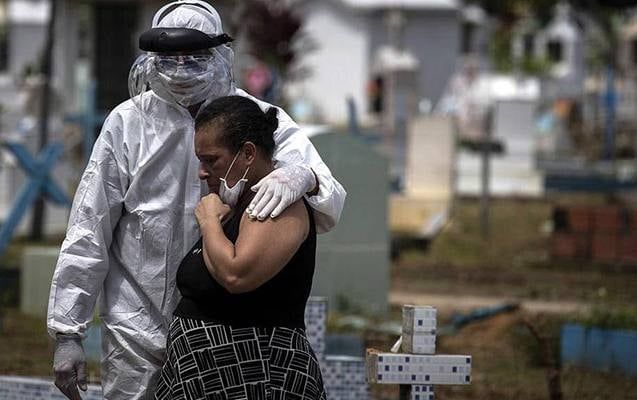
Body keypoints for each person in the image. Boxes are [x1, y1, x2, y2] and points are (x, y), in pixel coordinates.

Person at [47, 1, 346, 399]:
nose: (182, 70)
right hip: (135, 322)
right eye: (170, 59)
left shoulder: (254, 117)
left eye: (195, 57)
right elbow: (90, 225)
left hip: (222, 331)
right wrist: (68, 330)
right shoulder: (128, 123)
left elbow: (327, 195)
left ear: (220, 55)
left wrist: (302, 175)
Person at [154, 95, 325, 399]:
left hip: (257, 374)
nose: (202, 172)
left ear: (247, 153)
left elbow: (236, 275)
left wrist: (208, 222)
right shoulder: (233, 206)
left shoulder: (279, 202)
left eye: (211, 160)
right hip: (205, 378)